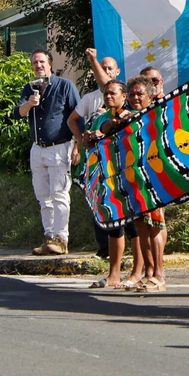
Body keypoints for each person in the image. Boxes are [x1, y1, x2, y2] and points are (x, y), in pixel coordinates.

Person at [101, 75, 167, 291]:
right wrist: (110, 124)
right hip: (132, 179)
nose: (136, 97)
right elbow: (103, 129)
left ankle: (159, 275)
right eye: (132, 94)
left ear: (149, 96)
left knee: (155, 225)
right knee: (140, 226)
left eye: (141, 94)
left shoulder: (156, 114)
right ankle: (148, 273)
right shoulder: (123, 117)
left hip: (153, 178)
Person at [14, 49, 81, 256]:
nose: (38, 65)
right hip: (38, 148)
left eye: (42, 62)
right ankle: (49, 237)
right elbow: (17, 113)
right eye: (35, 62)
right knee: (43, 196)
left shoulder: (65, 86)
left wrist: (78, 145)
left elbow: (77, 116)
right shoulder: (30, 88)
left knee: (59, 194)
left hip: (59, 147)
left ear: (50, 64)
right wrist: (29, 103)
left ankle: (62, 238)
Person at [80, 80, 144, 289]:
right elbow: (89, 144)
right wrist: (90, 137)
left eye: (113, 93)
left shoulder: (129, 115)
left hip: (131, 176)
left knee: (135, 227)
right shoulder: (99, 117)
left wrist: (108, 128)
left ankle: (137, 272)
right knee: (115, 226)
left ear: (124, 96)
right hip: (108, 178)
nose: (108, 97)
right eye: (106, 93)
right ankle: (113, 275)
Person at [68, 49, 122, 259]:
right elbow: (73, 120)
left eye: (110, 68)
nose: (109, 96)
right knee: (97, 202)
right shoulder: (91, 98)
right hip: (95, 162)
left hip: (117, 161)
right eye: (103, 67)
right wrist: (80, 142)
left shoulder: (123, 97)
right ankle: (104, 249)